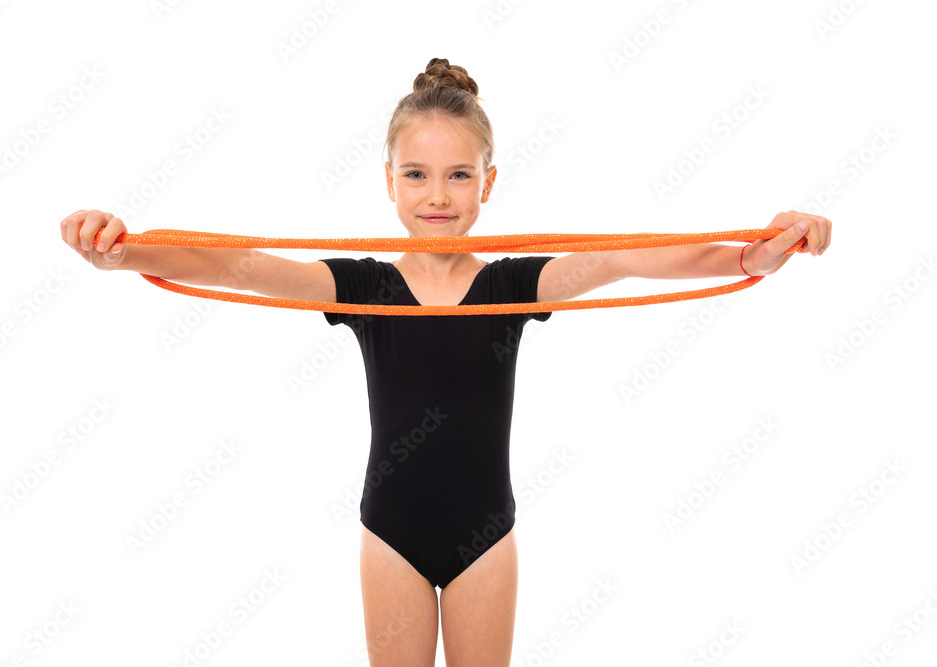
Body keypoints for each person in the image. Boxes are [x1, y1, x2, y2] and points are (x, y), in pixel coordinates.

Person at [60, 57, 831, 666]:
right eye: (418, 175)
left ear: (488, 184)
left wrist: (752, 254)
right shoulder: (365, 286)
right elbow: (241, 267)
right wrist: (125, 252)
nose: (439, 194)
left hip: (485, 537)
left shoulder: (510, 285)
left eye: (460, 174)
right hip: (388, 532)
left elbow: (627, 260)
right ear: (390, 183)